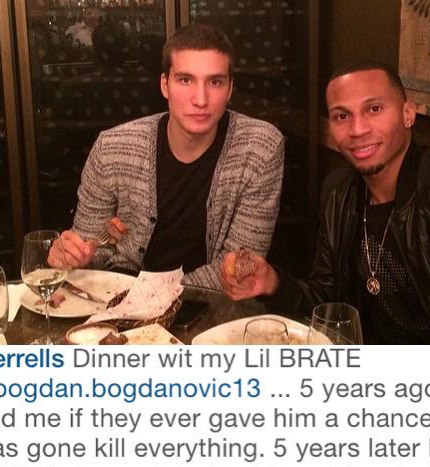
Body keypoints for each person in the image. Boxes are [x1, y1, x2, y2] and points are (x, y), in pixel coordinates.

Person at [221, 63, 430, 344]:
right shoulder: (339, 192)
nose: (358, 130)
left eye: (374, 109)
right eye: (342, 116)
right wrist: (273, 282)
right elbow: (328, 303)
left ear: (408, 113)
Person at [48, 23, 284, 290]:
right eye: (185, 80)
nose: (200, 99)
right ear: (165, 85)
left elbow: (239, 268)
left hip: (208, 305)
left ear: (230, 89)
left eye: (215, 82)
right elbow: (91, 249)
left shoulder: (260, 148)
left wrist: (151, 298)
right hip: (117, 298)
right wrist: (74, 256)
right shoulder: (111, 148)